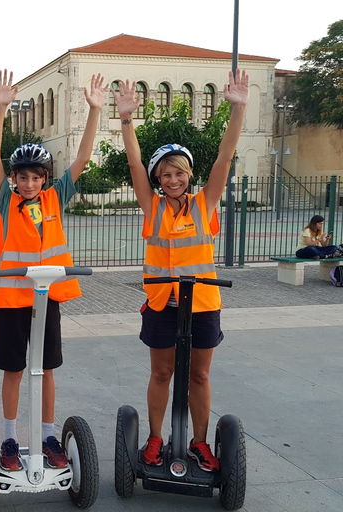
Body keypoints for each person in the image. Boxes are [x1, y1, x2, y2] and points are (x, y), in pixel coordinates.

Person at [112, 70, 250, 472]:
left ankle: (200, 443)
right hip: (162, 301)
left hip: (203, 301)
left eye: (179, 172)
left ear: (189, 175)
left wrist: (237, 109)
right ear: (158, 180)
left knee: (199, 377)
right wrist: (125, 119)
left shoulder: (205, 204)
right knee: (162, 372)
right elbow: (134, 160)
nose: (172, 179)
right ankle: (155, 438)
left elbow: (225, 156)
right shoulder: (152, 207)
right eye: (165, 174)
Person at [0, 69, 107, 470]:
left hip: (47, 298)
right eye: (22, 177)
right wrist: (0, 109)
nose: (28, 182)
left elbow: (84, 158)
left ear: (44, 178)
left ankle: (47, 435)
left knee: (46, 368)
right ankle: (8, 439)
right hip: (14, 298)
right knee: (14, 369)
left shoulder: (57, 198)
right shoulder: (7, 200)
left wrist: (94, 111)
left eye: (35, 177)